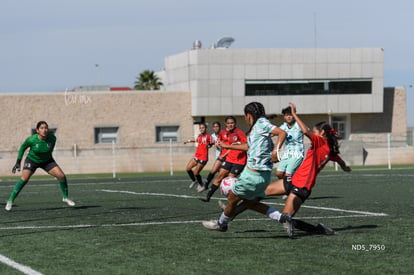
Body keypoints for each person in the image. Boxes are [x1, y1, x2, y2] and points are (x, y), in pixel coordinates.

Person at [202, 102, 287, 232]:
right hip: (263, 176)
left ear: (248, 115)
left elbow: (282, 133)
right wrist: (227, 146)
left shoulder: (261, 123)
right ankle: (282, 218)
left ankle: (221, 224)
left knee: (232, 198)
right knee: (249, 203)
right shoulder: (257, 129)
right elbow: (248, 146)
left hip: (252, 175)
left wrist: (276, 150)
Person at [6, 121, 75, 211]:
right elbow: (23, 148)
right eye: (42, 128)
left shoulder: (52, 138)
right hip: (32, 160)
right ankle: (10, 201)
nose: (44, 130)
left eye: (46, 128)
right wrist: (18, 162)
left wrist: (49, 161)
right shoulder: (31, 139)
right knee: (24, 179)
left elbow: (49, 150)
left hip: (47, 161)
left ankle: (65, 197)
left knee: (61, 176)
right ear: (37, 130)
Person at [198, 116, 247, 202]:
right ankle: (208, 197)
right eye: (228, 123)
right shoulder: (224, 132)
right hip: (229, 159)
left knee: (230, 180)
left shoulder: (239, 133)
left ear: (235, 123)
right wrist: (218, 144)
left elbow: (246, 146)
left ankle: (232, 202)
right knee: (219, 177)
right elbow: (221, 142)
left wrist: (229, 148)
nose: (230, 125)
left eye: (232, 123)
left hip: (239, 161)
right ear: (225, 124)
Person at [277, 106, 304, 200]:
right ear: (284, 117)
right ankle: (288, 187)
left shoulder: (299, 125)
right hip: (287, 153)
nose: (288, 117)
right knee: (279, 173)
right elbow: (274, 132)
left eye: (290, 115)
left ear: (294, 116)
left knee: (288, 174)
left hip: (297, 153)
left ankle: (289, 192)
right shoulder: (283, 126)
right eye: (286, 115)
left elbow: (308, 132)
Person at [197, 122, 226, 192]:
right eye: (214, 127)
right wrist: (209, 145)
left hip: (225, 157)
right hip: (218, 157)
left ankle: (223, 187)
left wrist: (221, 145)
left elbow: (226, 144)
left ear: (220, 127)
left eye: (217, 126)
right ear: (213, 128)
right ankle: (206, 186)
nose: (216, 128)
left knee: (221, 174)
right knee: (214, 172)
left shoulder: (223, 134)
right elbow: (210, 143)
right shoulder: (212, 136)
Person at [184, 123, 213, 189]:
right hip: (197, 156)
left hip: (203, 157)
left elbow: (212, 143)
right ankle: (194, 181)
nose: (201, 129)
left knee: (196, 173)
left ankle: (201, 185)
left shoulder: (209, 136)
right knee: (188, 169)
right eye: (200, 128)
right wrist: (188, 141)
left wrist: (209, 145)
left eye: (203, 127)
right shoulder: (199, 136)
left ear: (206, 128)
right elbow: (196, 140)